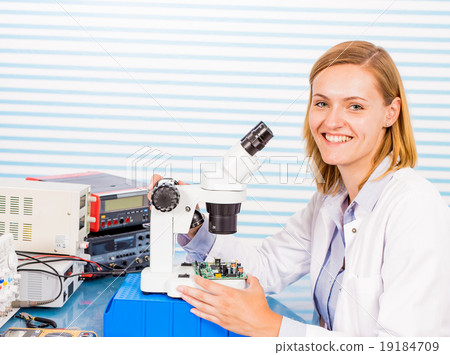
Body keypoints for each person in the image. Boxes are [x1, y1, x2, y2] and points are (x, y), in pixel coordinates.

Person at [149, 41, 450, 337]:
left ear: (390, 112)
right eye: (322, 103)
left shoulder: (415, 209)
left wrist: (271, 327)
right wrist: (195, 225)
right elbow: (267, 266)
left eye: (355, 106)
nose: (332, 121)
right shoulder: (332, 201)